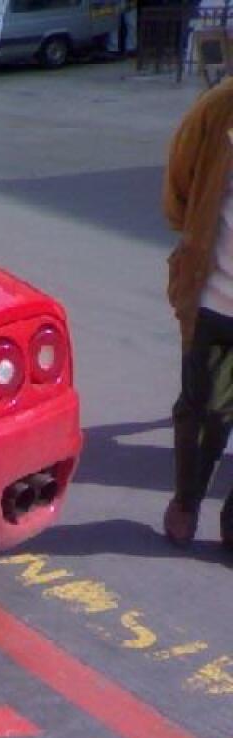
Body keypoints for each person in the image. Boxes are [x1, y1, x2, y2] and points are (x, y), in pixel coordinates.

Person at [161, 79, 233, 550]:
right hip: (219, 295)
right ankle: (187, 499)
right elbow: (179, 187)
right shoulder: (218, 108)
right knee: (205, 407)